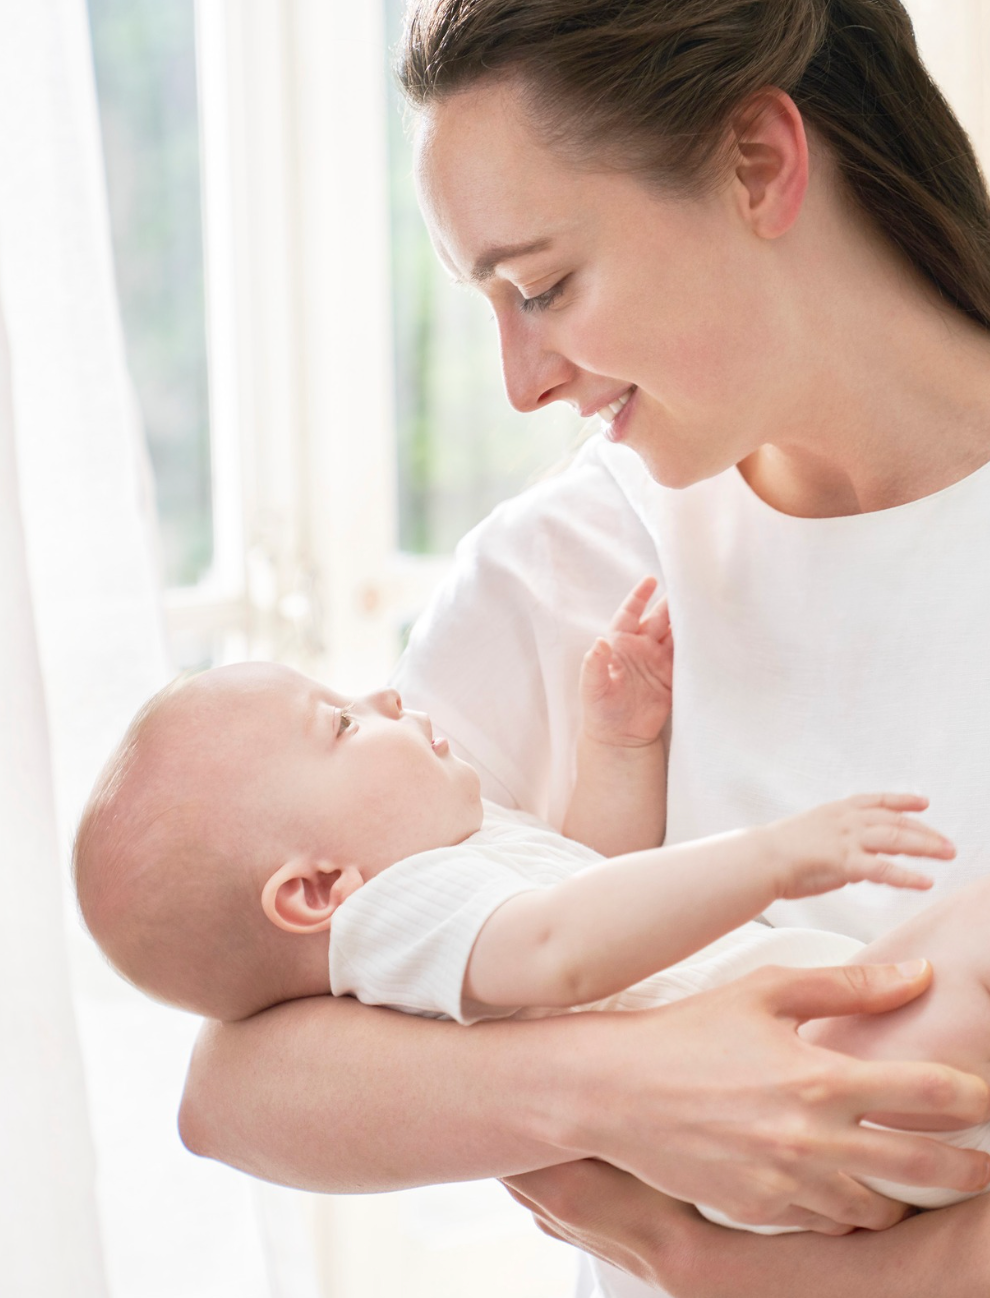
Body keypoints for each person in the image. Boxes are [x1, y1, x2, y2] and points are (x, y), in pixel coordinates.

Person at [177, 1, 990, 1293]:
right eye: (490, 304)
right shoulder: (569, 569)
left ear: (757, 164)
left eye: (543, 285)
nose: (519, 380)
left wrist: (737, 1272)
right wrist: (629, 1090)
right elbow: (238, 1086)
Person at [76, 617, 986, 1234]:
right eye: (342, 725)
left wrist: (619, 749)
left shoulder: (450, 859)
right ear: (316, 891)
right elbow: (564, 949)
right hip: (811, 1082)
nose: (385, 700)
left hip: (819, 1072)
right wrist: (775, 858)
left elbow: (593, 880)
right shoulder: (387, 920)